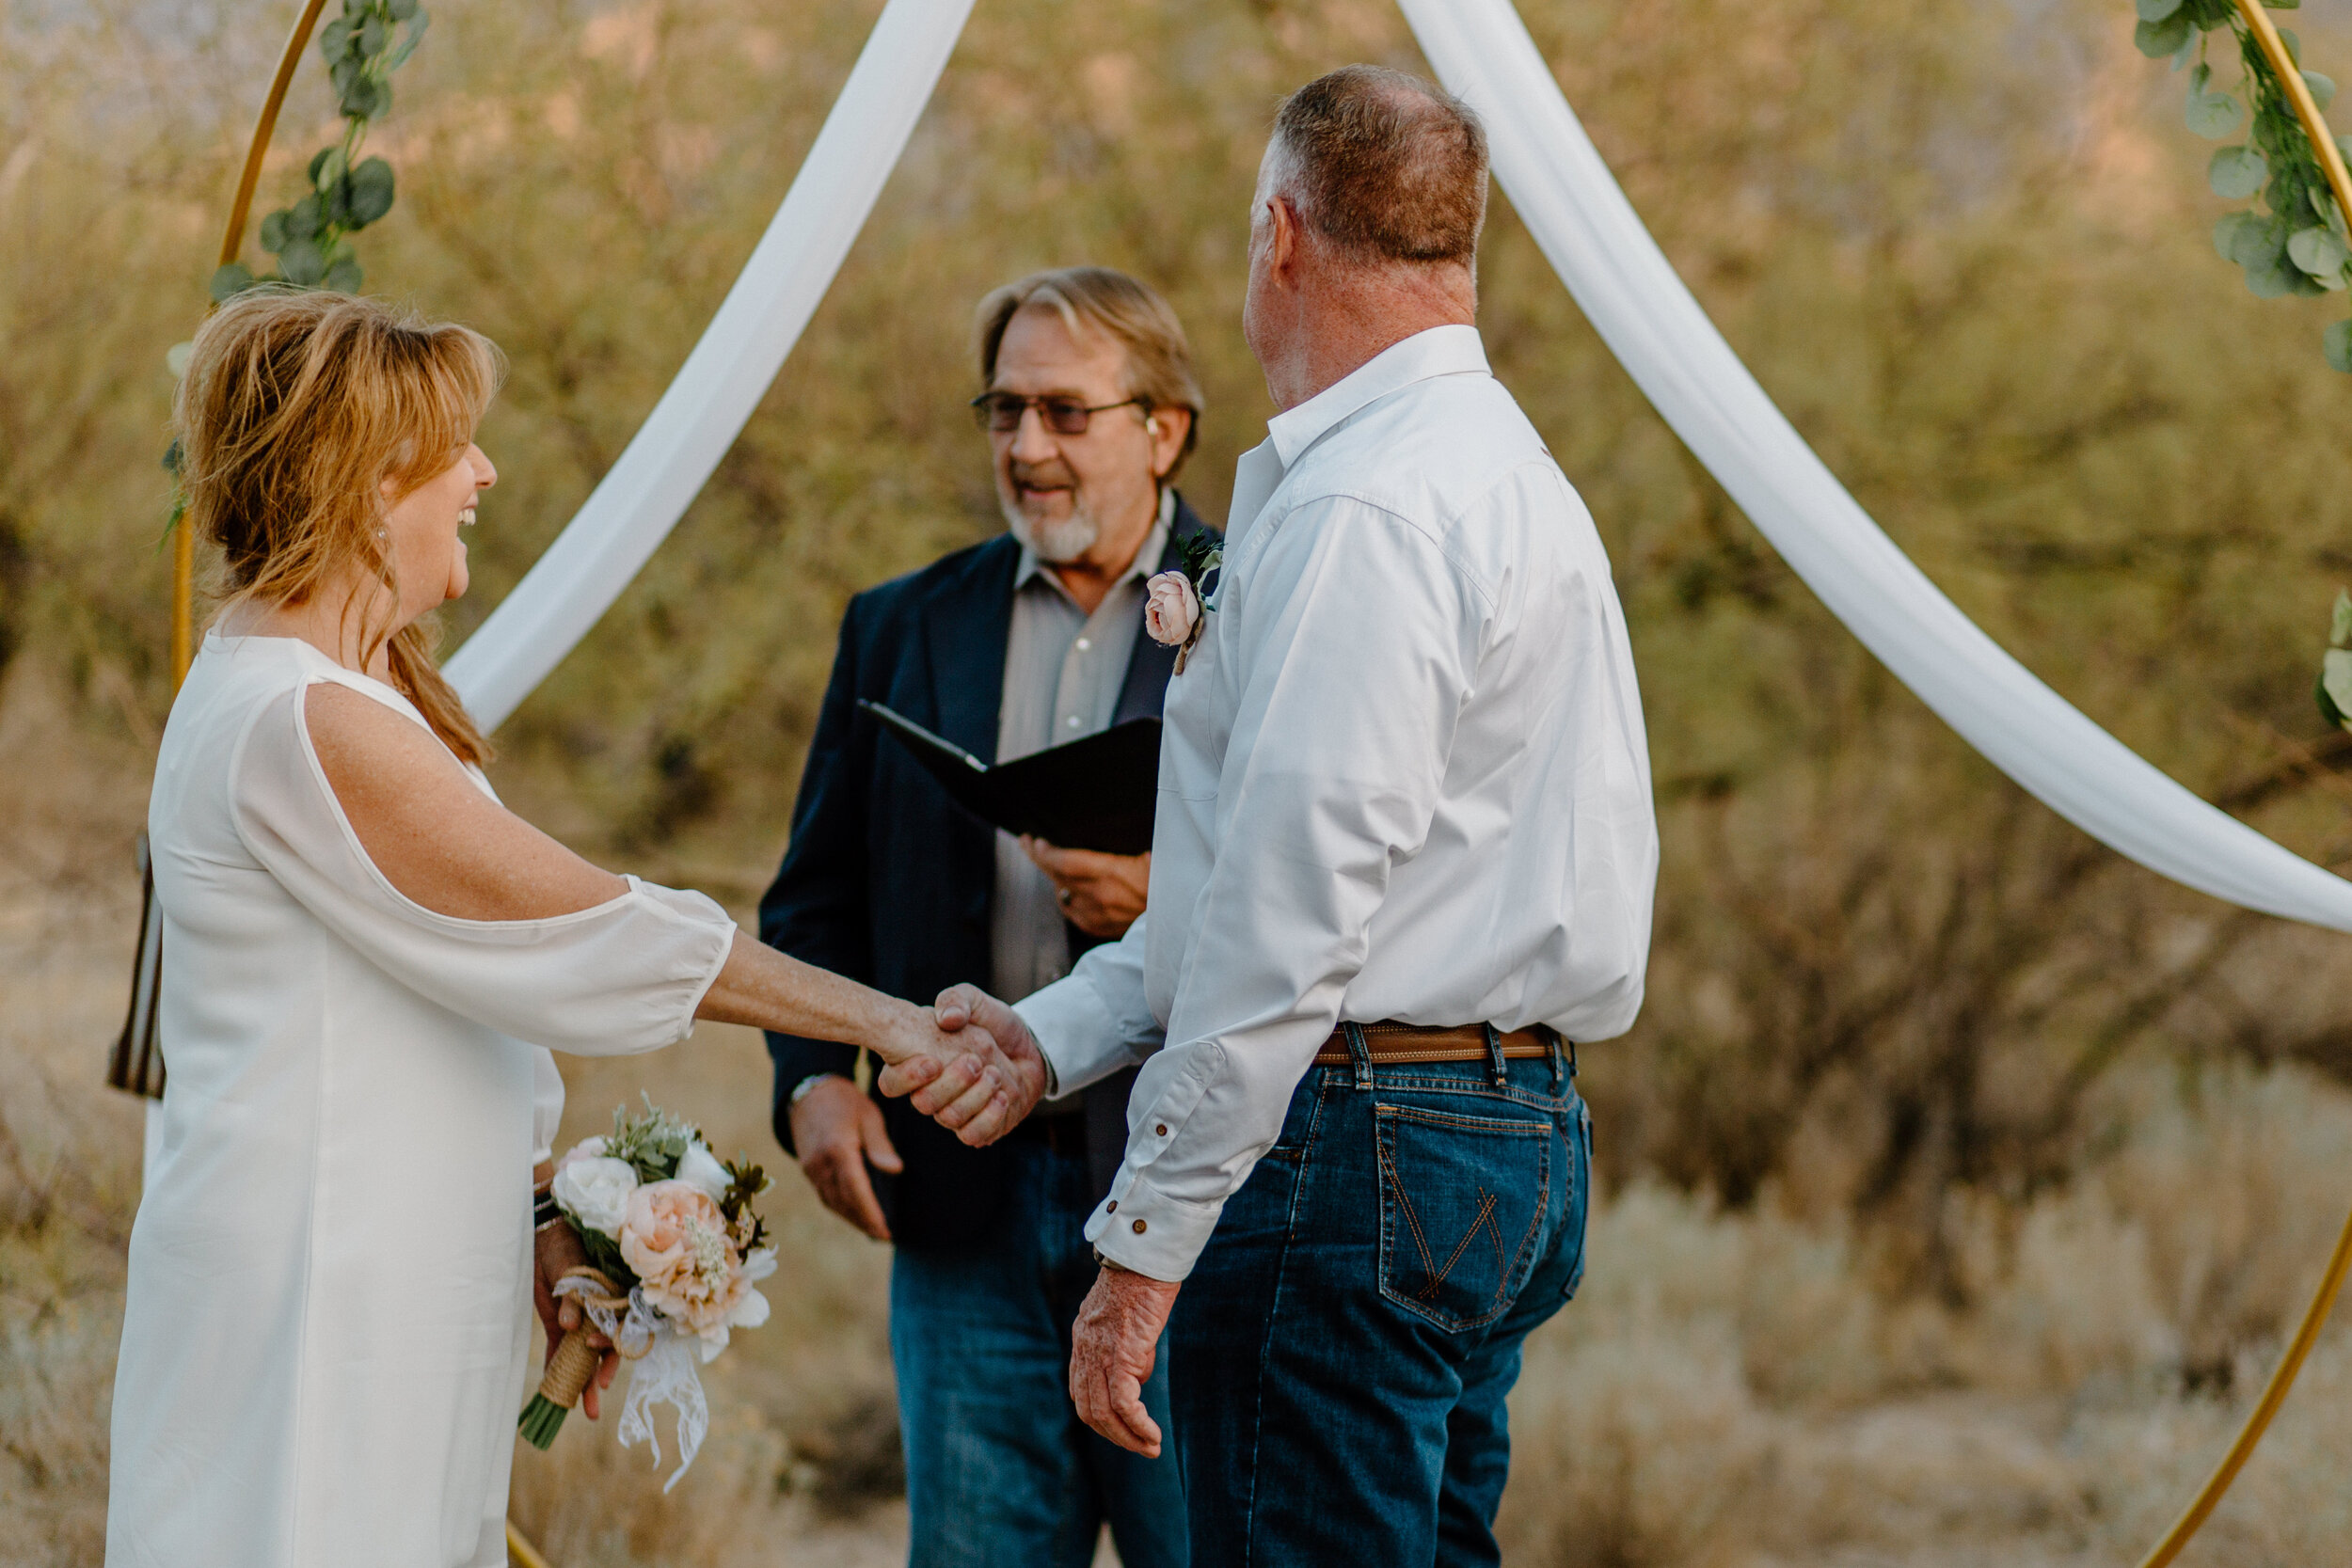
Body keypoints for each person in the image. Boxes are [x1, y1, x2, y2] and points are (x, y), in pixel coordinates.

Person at [890, 67, 1660, 1565]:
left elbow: (1290, 920)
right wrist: (1055, 1030)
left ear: (1283, 235)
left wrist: (1142, 1246)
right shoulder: (1515, 477)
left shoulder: (1364, 510)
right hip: (1506, 1132)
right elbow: (1290, 893)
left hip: (1354, 1156)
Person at [105, 289, 992, 1568]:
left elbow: (458, 982)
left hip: (392, 1262)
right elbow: (588, 928)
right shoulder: (305, 719)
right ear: (360, 485)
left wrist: (538, 1211)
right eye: (450, 450)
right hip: (318, 1288)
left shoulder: (342, 686)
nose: (483, 473)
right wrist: (896, 1023)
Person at [759, 267, 1202, 1568]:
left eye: (1066, 413)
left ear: (1162, 427)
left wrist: (1168, 909)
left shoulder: (1265, 609)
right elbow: (815, 889)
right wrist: (810, 1082)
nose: (1027, 447)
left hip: (1189, 1202)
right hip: (956, 1204)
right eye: (1004, 411)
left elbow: (1352, 893)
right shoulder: (899, 624)